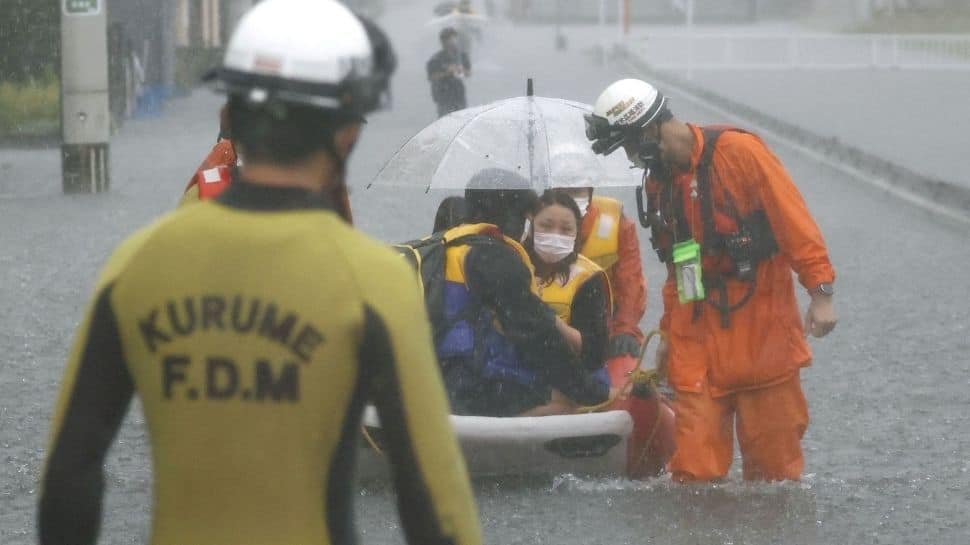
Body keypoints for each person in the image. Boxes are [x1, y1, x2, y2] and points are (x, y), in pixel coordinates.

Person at [37, 3, 481, 545]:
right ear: (345, 131)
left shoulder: (136, 268)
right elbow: (435, 503)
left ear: (234, 111)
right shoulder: (374, 283)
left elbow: (68, 478)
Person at [585, 78, 838, 482]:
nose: (633, 158)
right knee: (693, 476)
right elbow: (676, 269)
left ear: (650, 130)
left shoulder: (741, 153)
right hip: (696, 339)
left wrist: (820, 292)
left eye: (631, 146)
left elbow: (795, 224)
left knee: (775, 475)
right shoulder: (658, 184)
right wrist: (668, 337)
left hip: (762, 333)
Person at [435, 168, 613, 417]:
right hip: (464, 388)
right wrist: (589, 391)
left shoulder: (444, 244)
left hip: (432, 379)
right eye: (526, 217)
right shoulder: (496, 259)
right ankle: (504, 448)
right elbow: (537, 337)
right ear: (512, 217)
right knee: (568, 400)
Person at [552, 184, 647, 359]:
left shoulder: (616, 220)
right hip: (552, 329)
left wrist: (625, 328)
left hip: (604, 329)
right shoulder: (540, 222)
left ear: (589, 191)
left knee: (623, 374)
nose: (570, 197)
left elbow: (630, 282)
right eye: (563, 190)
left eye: (576, 190)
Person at [427, 27, 470, 117]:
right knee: (445, 119)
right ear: (443, 42)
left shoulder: (461, 55)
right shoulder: (436, 58)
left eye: (454, 38)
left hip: (458, 94)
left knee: (461, 118)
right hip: (443, 95)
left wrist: (461, 70)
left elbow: (468, 72)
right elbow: (432, 76)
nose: (453, 42)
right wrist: (447, 72)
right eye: (450, 39)